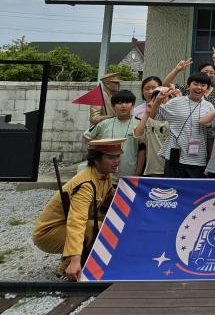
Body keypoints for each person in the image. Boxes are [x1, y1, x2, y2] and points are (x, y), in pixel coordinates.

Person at [32, 138, 123, 281]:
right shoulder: (86, 184)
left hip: (65, 226)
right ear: (96, 160)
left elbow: (108, 196)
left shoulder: (104, 174)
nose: (116, 160)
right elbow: (76, 221)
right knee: (98, 228)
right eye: (111, 157)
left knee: (111, 223)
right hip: (48, 233)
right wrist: (75, 260)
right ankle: (67, 269)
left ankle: (84, 260)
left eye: (118, 156)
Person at [144, 73, 215, 178]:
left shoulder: (209, 106)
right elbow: (154, 116)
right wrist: (158, 101)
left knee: (193, 191)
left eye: (203, 85)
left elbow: (210, 133)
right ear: (188, 86)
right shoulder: (175, 102)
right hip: (175, 153)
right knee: (172, 188)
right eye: (195, 84)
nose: (199, 88)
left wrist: (210, 157)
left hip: (198, 157)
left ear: (207, 88)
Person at [83, 89, 144, 179]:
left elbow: (142, 149)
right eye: (119, 103)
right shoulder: (104, 123)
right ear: (112, 106)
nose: (123, 106)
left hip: (130, 174)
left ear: (133, 104)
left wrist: (138, 172)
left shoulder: (140, 124)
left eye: (127, 102)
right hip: (106, 176)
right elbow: (87, 136)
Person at [132, 86, 170, 177]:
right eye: (156, 97)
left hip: (172, 169)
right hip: (153, 169)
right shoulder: (147, 119)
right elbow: (137, 135)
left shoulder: (176, 120)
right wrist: (147, 113)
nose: (160, 99)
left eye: (164, 97)